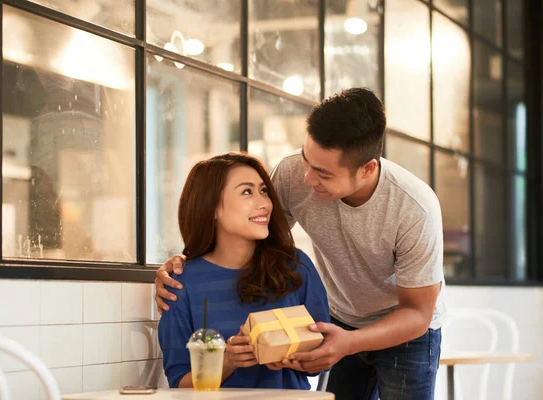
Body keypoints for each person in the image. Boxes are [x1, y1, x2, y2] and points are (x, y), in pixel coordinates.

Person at [155, 88, 444, 400]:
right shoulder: (294, 173)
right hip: (341, 318)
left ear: (367, 169)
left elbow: (417, 312)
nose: (306, 178)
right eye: (306, 160)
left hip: (404, 326)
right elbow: (246, 229)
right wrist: (186, 262)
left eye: (322, 173)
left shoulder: (415, 208)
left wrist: (348, 342)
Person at [157, 152, 330, 390]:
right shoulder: (181, 284)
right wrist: (227, 361)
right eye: (247, 192)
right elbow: (179, 383)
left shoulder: (295, 267)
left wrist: (291, 357)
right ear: (211, 208)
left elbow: (324, 358)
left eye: (263, 191)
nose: (265, 203)